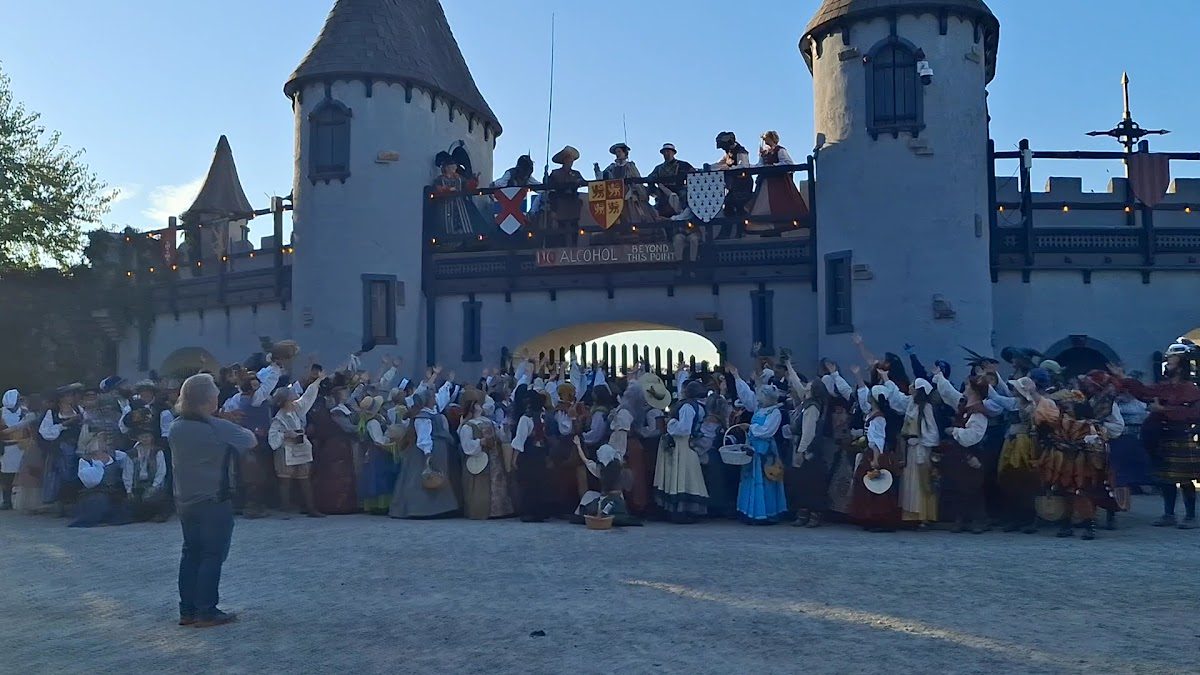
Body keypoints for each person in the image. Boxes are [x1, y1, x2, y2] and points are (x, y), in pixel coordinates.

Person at [169, 373, 259, 627]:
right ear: (208, 400)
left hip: (185, 499)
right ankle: (206, 610)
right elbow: (249, 440)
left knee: (190, 553)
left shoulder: (175, 427)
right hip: (213, 497)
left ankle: (187, 610)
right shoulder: (216, 426)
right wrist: (224, 421)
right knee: (212, 554)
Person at [1110, 347, 1200, 529]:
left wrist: (1164, 410)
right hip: (1163, 436)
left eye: (1172, 362)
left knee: (1184, 479)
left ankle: (1190, 517)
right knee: (1165, 478)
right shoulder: (1163, 387)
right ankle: (1169, 515)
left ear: (1181, 367)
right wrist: (1123, 378)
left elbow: (1193, 413)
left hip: (1181, 435)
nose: (1167, 365)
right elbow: (1143, 392)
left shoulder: (1190, 389)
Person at [932, 373, 991, 534]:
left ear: (973, 391)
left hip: (973, 453)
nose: (964, 388)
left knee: (973, 487)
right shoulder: (965, 405)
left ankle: (979, 519)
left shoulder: (978, 412)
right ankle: (961, 518)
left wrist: (955, 431)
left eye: (967, 386)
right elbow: (951, 394)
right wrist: (940, 377)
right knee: (959, 486)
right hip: (959, 453)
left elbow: (973, 437)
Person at [388, 389, 459, 519]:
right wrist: (428, 453)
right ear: (427, 400)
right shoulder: (422, 417)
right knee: (420, 478)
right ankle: (420, 509)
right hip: (425, 451)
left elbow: (443, 399)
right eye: (432, 397)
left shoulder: (431, 413)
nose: (435, 399)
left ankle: (438, 508)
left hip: (437, 450)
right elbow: (423, 437)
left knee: (437, 477)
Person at [267, 375, 326, 518]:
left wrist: (317, 381)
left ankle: (310, 508)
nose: (295, 398)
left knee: (305, 479)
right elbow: (272, 437)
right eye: (291, 397)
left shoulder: (297, 409)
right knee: (285, 481)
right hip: (286, 450)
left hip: (300, 448)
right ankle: (286, 509)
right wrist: (286, 435)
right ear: (286, 401)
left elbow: (307, 397)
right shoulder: (279, 418)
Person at [654, 380, 710, 523]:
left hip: (682, 446)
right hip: (685, 446)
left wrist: (671, 424)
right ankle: (682, 512)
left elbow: (684, 429)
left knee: (681, 478)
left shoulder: (687, 407)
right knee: (687, 478)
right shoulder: (698, 406)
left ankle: (681, 512)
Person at [221, 374, 272, 518]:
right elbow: (229, 415)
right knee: (246, 474)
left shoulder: (263, 400)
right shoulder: (239, 399)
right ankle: (246, 506)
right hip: (244, 441)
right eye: (253, 386)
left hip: (262, 440)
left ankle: (257, 504)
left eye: (257, 385)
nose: (257, 388)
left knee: (259, 473)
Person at [736, 385, 788, 524]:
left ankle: (766, 512)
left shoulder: (775, 412)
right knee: (750, 476)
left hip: (765, 449)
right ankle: (751, 511)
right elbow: (747, 396)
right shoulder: (760, 409)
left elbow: (767, 430)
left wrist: (751, 427)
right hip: (753, 446)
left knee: (766, 478)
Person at [40, 383, 86, 515]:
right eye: (68, 395)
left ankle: (71, 502)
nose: (71, 397)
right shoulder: (52, 412)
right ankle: (59, 503)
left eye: (72, 395)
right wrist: (63, 425)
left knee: (75, 474)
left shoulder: (78, 409)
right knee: (60, 475)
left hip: (78, 446)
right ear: (61, 398)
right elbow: (45, 432)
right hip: (61, 448)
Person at [511, 386, 554, 523]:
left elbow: (520, 440)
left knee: (528, 484)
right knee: (540, 483)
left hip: (529, 453)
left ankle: (529, 512)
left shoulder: (525, 419)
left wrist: (514, 458)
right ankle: (540, 512)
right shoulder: (542, 417)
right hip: (541, 452)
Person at [749, 130, 809, 228]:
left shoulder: (780, 150)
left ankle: (781, 227)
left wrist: (773, 166)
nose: (765, 141)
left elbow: (788, 163)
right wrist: (749, 166)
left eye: (766, 139)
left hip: (778, 182)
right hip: (766, 181)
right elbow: (759, 164)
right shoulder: (764, 153)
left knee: (780, 204)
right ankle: (768, 228)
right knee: (763, 205)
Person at [70, 432, 132, 528]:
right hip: (93, 491)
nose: (105, 444)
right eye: (102, 441)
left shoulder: (117, 456)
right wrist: (99, 464)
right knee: (98, 501)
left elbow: (129, 465)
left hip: (113, 491)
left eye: (106, 442)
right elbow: (91, 482)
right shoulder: (85, 460)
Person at [594, 142, 656, 226]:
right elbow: (602, 177)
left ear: (624, 153)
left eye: (619, 152)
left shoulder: (630, 166)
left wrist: (637, 191)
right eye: (616, 152)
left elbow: (637, 179)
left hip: (629, 194)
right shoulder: (612, 167)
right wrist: (597, 170)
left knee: (636, 214)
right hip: (615, 195)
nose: (617, 154)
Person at [356, 395, 397, 515]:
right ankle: (379, 505)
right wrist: (391, 440)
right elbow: (378, 440)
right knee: (379, 477)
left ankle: (378, 505)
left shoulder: (376, 419)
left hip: (377, 452)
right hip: (378, 452)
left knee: (377, 477)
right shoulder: (373, 422)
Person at [431, 151, 487, 237]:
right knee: (447, 224)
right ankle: (450, 241)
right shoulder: (440, 179)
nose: (453, 168)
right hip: (446, 205)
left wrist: (474, 181)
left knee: (463, 222)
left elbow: (468, 187)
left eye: (454, 166)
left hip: (460, 205)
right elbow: (438, 189)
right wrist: (447, 190)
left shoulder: (460, 179)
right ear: (445, 168)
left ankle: (465, 238)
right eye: (450, 166)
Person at [712, 131, 754, 233]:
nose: (723, 149)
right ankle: (728, 231)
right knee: (729, 205)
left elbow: (743, 165)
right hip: (734, 184)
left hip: (743, 183)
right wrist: (706, 168)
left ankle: (741, 231)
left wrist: (727, 168)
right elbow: (719, 164)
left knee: (739, 206)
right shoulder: (728, 153)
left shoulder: (741, 151)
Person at [543, 145, 585, 246]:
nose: (570, 161)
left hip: (573, 201)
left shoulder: (576, 173)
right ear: (564, 160)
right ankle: (561, 246)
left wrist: (579, 182)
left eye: (571, 159)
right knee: (561, 225)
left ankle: (574, 246)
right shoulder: (555, 173)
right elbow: (548, 184)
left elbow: (583, 182)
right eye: (568, 159)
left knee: (574, 225)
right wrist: (545, 174)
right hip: (560, 201)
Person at [128, 428, 172, 523]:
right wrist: (128, 489)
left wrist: (154, 485)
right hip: (137, 484)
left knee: (153, 497)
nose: (145, 439)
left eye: (147, 436)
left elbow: (161, 470)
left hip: (152, 483)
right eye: (142, 437)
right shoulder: (132, 453)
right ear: (138, 438)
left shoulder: (157, 452)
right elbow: (128, 471)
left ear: (151, 437)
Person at [646, 143, 696, 219]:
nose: (666, 154)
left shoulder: (683, 165)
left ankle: (685, 212)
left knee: (685, 194)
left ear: (673, 153)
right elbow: (649, 178)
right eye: (664, 152)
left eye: (668, 151)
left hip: (679, 189)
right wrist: (654, 189)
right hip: (663, 192)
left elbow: (694, 174)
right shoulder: (658, 168)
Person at [1, 389, 27, 509]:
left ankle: (22, 500)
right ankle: (7, 501)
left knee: (23, 474)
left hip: (22, 447)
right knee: (7, 476)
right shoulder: (1, 413)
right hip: (6, 449)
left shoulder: (25, 412)